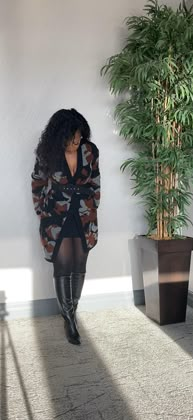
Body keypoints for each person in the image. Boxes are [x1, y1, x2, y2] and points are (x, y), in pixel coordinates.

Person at [31, 108, 100, 345]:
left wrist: (94, 204)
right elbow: (38, 182)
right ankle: (68, 319)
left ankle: (73, 311)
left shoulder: (90, 151)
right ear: (61, 137)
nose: (77, 142)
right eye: (72, 139)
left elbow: (95, 179)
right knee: (63, 265)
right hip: (56, 217)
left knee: (79, 264)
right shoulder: (47, 153)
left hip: (83, 216)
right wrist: (42, 210)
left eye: (79, 137)